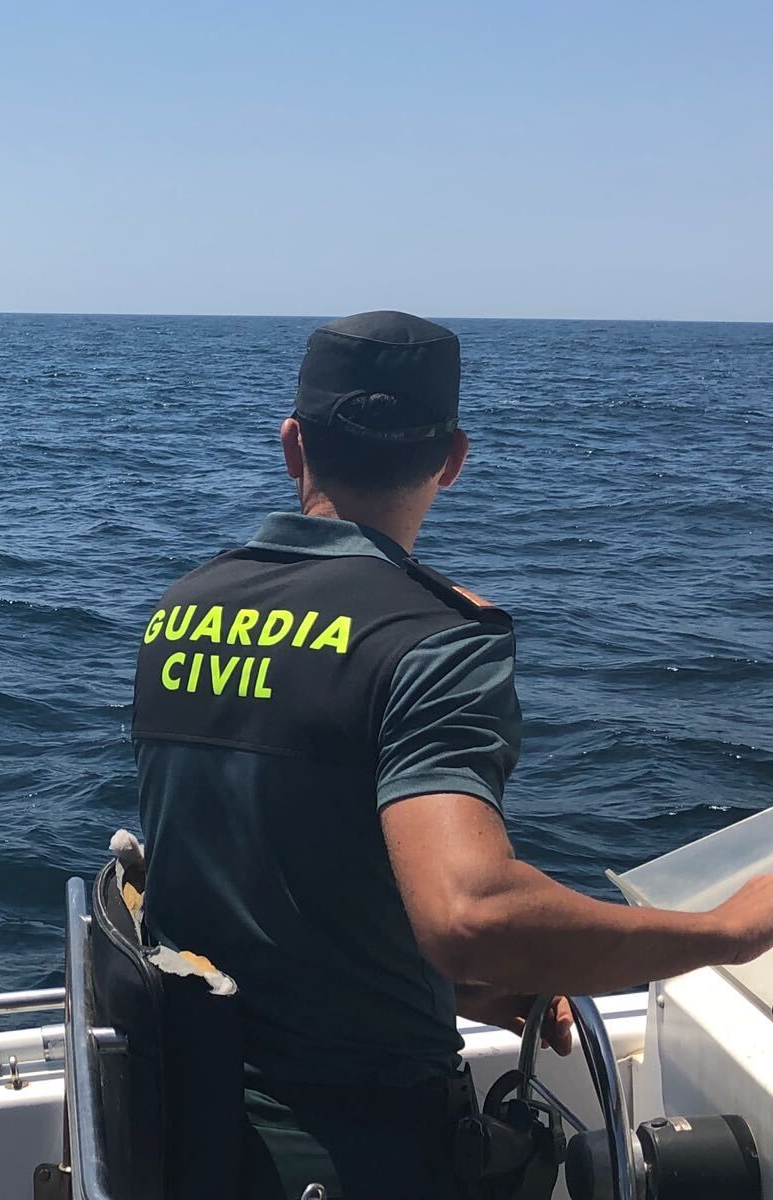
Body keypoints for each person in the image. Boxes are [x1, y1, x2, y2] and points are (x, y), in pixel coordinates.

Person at [131, 310, 773, 1200]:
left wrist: (463, 992)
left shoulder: (179, 610)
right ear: (453, 459)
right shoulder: (433, 640)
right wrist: (729, 932)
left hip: (184, 1127)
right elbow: (470, 913)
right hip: (354, 1152)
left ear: (292, 446)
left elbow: (265, 879)